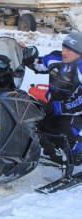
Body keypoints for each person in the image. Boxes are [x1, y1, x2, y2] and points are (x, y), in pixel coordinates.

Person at [22, 32, 82, 166]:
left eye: (69, 49)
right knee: (35, 128)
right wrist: (24, 54)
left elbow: (79, 103)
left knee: (65, 138)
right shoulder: (56, 58)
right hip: (52, 106)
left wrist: (55, 107)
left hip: (74, 113)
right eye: (63, 48)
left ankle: (78, 149)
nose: (64, 52)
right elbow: (37, 64)